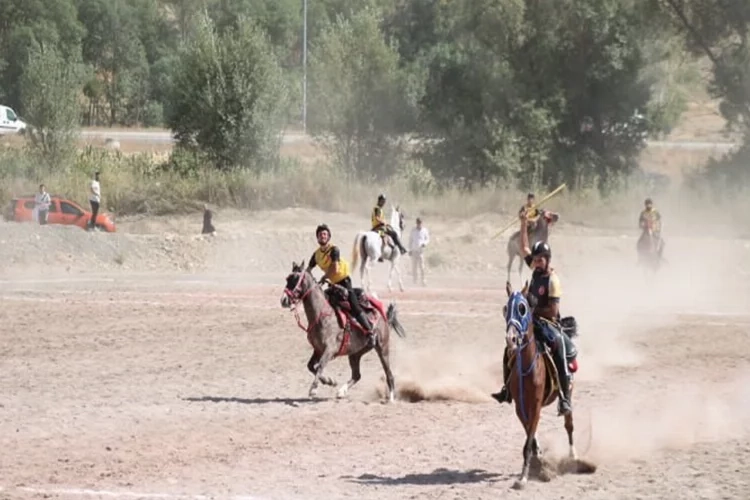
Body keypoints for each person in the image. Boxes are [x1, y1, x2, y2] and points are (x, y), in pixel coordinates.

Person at [492, 209, 575, 416]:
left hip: (548, 324)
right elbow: (524, 247)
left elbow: (552, 310)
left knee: (557, 348)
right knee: (509, 347)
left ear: (547, 260)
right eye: (535, 259)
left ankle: (564, 398)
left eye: (540, 260)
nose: (536, 262)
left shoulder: (552, 280)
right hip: (532, 319)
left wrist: (532, 308)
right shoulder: (535, 270)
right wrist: (522, 223)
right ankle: (506, 389)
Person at [307, 224, 377, 347]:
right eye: (320, 234)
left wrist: (324, 278)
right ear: (317, 238)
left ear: (328, 237)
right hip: (333, 284)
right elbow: (308, 270)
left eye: (324, 234)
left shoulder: (334, 249)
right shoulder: (316, 255)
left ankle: (370, 332)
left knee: (354, 305)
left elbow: (335, 268)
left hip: (344, 281)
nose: (322, 236)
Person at [409, 217, 430, 286]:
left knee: (422, 267)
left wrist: (425, 243)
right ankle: (415, 281)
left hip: (421, 251)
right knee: (414, 267)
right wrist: (410, 250)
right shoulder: (413, 230)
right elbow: (410, 240)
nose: (419, 224)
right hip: (414, 250)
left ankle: (423, 281)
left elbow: (427, 239)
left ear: (422, 223)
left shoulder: (424, 230)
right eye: (418, 223)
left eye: (420, 223)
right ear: (416, 223)